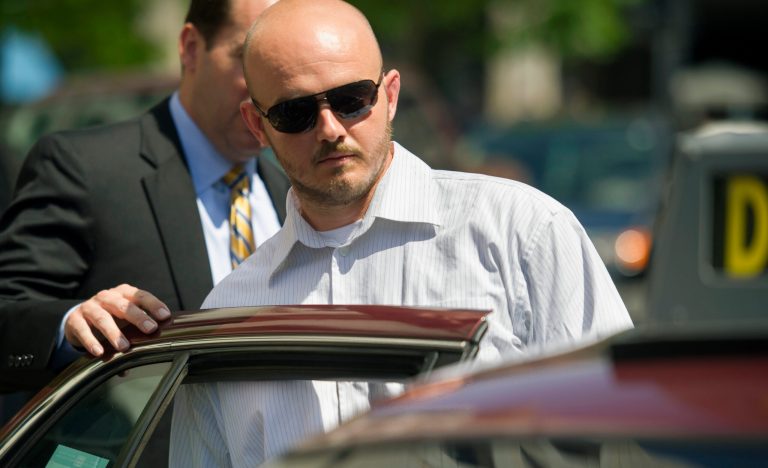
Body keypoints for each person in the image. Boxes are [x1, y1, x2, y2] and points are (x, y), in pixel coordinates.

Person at [168, 0, 634, 465]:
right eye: (295, 113)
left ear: (389, 94)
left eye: (351, 99)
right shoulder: (231, 311)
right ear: (258, 125)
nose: (330, 129)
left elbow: (627, 429)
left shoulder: (519, 233)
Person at [0, 0, 287, 395]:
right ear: (189, 48)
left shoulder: (296, 195)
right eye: (249, 58)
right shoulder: (84, 168)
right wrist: (70, 324)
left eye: (284, 64)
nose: (268, 85)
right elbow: (9, 314)